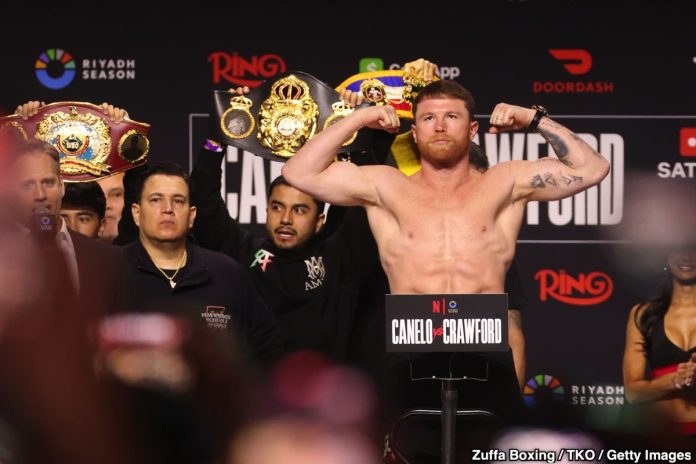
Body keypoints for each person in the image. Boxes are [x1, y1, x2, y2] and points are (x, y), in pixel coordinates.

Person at [282, 80, 610, 422]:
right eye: (428, 118)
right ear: (414, 132)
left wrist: (533, 119)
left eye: (451, 116)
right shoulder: (384, 186)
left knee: (485, 449)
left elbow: (593, 168)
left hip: (486, 353)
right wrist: (358, 119)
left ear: (472, 130)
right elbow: (297, 172)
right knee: (411, 449)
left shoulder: (506, 183)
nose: (439, 126)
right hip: (410, 355)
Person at [190, 89, 382, 363]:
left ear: (320, 221)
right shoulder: (243, 253)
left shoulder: (338, 260)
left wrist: (357, 128)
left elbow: (368, 198)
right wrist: (220, 132)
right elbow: (204, 202)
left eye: (300, 210)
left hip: (326, 388)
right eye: (278, 207)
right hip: (257, 388)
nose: (286, 219)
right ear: (266, 210)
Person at [122, 161, 284, 365]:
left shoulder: (227, 273)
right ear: (136, 213)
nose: (168, 209)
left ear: (192, 216)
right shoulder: (112, 269)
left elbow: (269, 346)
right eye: (155, 200)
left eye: (178, 201)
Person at [8, 138, 127, 312]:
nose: (40, 195)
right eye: (28, 185)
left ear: (61, 186)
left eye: (48, 182)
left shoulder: (109, 259)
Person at [623, 244, 696, 435]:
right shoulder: (644, 314)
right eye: (679, 247)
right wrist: (675, 380)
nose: (687, 256)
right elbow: (633, 393)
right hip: (660, 434)